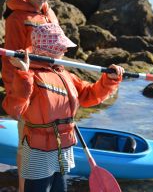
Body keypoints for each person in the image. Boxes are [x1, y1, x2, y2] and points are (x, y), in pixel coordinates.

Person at [2, 23, 124, 192]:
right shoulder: (30, 76)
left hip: (63, 148)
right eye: (61, 47)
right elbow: (15, 108)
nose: (66, 50)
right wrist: (23, 73)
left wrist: (109, 80)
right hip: (39, 151)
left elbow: (89, 95)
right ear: (49, 50)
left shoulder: (64, 73)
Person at [1, 0, 60, 192]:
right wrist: (14, 89)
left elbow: (58, 46)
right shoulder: (16, 18)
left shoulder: (50, 13)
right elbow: (11, 58)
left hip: (49, 82)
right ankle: (23, 187)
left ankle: (48, 181)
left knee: (46, 139)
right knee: (26, 142)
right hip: (26, 83)